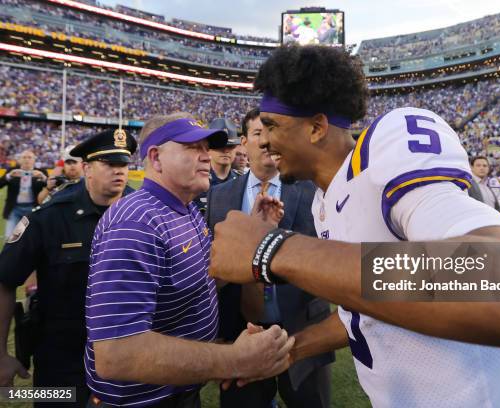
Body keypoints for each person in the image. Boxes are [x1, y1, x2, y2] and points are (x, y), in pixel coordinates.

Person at [208, 45, 500, 407]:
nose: (264, 141)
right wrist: (290, 350)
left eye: (271, 125)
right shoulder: (325, 200)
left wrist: (273, 249)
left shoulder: (384, 147)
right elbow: (371, 307)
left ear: (317, 127)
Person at [84, 112, 294, 407]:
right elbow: (116, 353)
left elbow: (200, 281)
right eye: (192, 147)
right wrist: (235, 359)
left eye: (206, 148)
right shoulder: (135, 223)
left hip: (177, 393)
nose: (206, 156)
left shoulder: (184, 210)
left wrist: (254, 234)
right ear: (156, 158)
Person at [0, 129, 136, 407]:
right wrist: (1, 354)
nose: (119, 171)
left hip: (130, 356)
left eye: (123, 164)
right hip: (62, 360)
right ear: (87, 168)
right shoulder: (50, 217)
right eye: (109, 164)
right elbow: (5, 279)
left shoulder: (143, 212)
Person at [208, 108, 333, 408]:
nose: (266, 142)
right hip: (242, 333)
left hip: (303, 328)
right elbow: (216, 262)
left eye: (271, 133)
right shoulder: (219, 195)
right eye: (257, 134)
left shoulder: (311, 189)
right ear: (243, 143)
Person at [0, 150, 47, 239]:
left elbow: (51, 186)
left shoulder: (41, 171)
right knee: (11, 238)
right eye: (24, 157)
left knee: (32, 238)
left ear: (34, 160)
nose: (27, 160)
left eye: (29, 157)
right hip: (14, 209)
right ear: (20, 160)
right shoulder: (12, 171)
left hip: (32, 209)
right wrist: (9, 176)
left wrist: (43, 177)